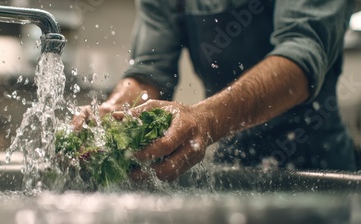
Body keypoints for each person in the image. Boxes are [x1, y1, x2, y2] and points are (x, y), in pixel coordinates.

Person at [74, 0, 359, 181]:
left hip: (317, 169)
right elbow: (149, 71)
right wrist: (112, 114)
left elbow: (300, 58)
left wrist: (205, 119)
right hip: (234, 167)